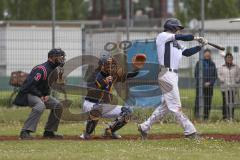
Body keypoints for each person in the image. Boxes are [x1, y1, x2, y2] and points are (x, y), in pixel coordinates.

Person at [137, 18, 206, 139]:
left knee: (166, 107)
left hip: (173, 75)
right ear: (172, 27)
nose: (179, 30)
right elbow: (183, 37)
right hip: (166, 73)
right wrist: (196, 37)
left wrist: (200, 46)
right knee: (176, 105)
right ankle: (190, 132)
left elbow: (187, 53)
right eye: (178, 28)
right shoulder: (163, 36)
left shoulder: (176, 43)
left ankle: (144, 127)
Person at [80, 52, 143, 139]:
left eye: (112, 65)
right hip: (90, 105)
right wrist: (103, 83)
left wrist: (136, 68)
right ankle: (87, 134)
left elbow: (128, 75)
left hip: (103, 106)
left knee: (128, 111)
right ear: (102, 65)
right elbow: (91, 91)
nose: (111, 67)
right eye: (108, 65)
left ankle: (109, 131)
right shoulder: (94, 75)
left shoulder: (113, 74)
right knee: (96, 109)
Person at [14, 48, 66, 139]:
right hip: (27, 93)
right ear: (50, 58)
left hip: (40, 95)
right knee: (40, 106)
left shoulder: (55, 70)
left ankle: (49, 132)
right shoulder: (41, 69)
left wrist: (46, 94)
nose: (61, 59)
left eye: (62, 57)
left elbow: (48, 85)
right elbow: (30, 85)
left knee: (58, 105)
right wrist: (40, 95)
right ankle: (25, 132)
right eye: (58, 57)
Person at [194, 49, 217, 120]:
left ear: (210, 55)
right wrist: (202, 83)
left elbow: (215, 75)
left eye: (208, 54)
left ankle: (206, 117)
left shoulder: (212, 64)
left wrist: (210, 83)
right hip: (200, 86)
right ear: (203, 55)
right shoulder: (199, 63)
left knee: (208, 102)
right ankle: (197, 116)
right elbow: (196, 74)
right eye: (206, 54)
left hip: (209, 86)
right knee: (198, 101)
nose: (207, 55)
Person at [218, 52, 240, 120]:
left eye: (230, 58)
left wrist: (236, 80)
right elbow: (219, 75)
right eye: (227, 58)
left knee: (232, 102)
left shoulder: (236, 67)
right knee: (225, 102)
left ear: (232, 59)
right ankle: (225, 117)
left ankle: (231, 116)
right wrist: (223, 80)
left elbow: (238, 75)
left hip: (233, 87)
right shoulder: (221, 67)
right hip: (225, 88)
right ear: (225, 59)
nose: (229, 59)